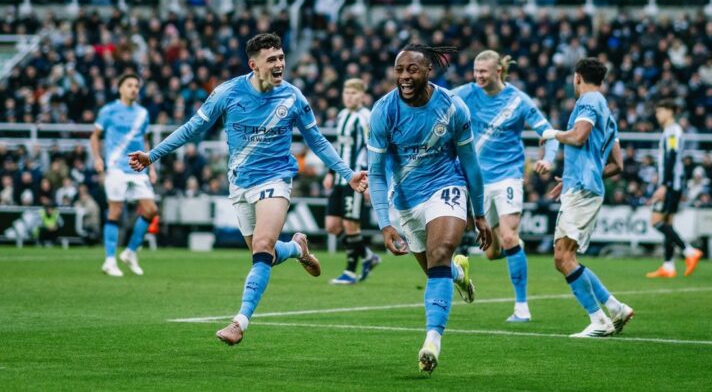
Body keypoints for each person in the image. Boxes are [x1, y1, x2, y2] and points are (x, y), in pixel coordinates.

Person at [128, 32, 367, 346]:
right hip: (240, 183)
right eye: (272, 60)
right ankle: (297, 249)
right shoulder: (227, 93)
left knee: (263, 246)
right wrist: (152, 155)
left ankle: (239, 322)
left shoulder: (293, 97)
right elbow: (192, 128)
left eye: (281, 58)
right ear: (253, 64)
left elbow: (317, 140)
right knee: (262, 252)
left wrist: (347, 174)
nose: (280, 64)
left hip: (276, 179)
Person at [367, 43, 491, 374]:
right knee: (436, 269)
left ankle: (432, 341)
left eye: (412, 70)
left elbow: (471, 165)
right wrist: (384, 224)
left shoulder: (453, 108)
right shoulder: (383, 111)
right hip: (405, 201)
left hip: (446, 187)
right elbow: (376, 174)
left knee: (441, 252)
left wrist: (478, 214)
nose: (405, 76)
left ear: (428, 71)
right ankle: (458, 273)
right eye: (399, 70)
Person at [454, 50, 559, 323]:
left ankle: (522, 307)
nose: (477, 76)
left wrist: (548, 159)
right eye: (475, 71)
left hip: (508, 176)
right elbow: (435, 98)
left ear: (498, 71)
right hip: (477, 180)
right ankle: (514, 251)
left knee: (510, 237)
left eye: (483, 72)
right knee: (491, 252)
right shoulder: (466, 93)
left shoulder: (518, 101)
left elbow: (549, 134)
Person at [541, 58, 634, 338]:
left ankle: (600, 321)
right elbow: (617, 164)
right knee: (567, 256)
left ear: (577, 77)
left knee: (562, 257)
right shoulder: (607, 111)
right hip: (584, 186)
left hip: (582, 189)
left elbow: (579, 136)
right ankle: (616, 309)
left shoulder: (588, 102)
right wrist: (575, 177)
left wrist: (552, 134)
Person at [90, 72, 158, 277]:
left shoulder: (142, 113)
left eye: (136, 86)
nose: (134, 89)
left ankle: (129, 252)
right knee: (115, 211)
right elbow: (95, 136)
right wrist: (97, 158)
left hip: (137, 168)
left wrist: (151, 166)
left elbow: (145, 141)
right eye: (129, 85)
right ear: (120, 88)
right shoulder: (108, 111)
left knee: (151, 210)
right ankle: (110, 260)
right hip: (116, 167)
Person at [324, 78, 381, 285]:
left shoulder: (366, 118)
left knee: (350, 224)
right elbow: (338, 148)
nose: (349, 97)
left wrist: (369, 181)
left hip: (357, 179)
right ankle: (367, 255)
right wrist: (331, 172)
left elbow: (371, 150)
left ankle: (349, 272)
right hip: (340, 177)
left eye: (354, 93)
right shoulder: (342, 115)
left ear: (362, 96)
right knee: (332, 225)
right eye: (346, 93)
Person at [646, 99, 703, 278]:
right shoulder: (670, 131)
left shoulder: (672, 132)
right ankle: (668, 265)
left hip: (671, 184)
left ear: (670, 112)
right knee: (668, 223)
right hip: (674, 183)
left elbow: (671, 157)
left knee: (656, 221)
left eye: (660, 111)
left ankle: (689, 251)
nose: (657, 115)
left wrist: (664, 184)